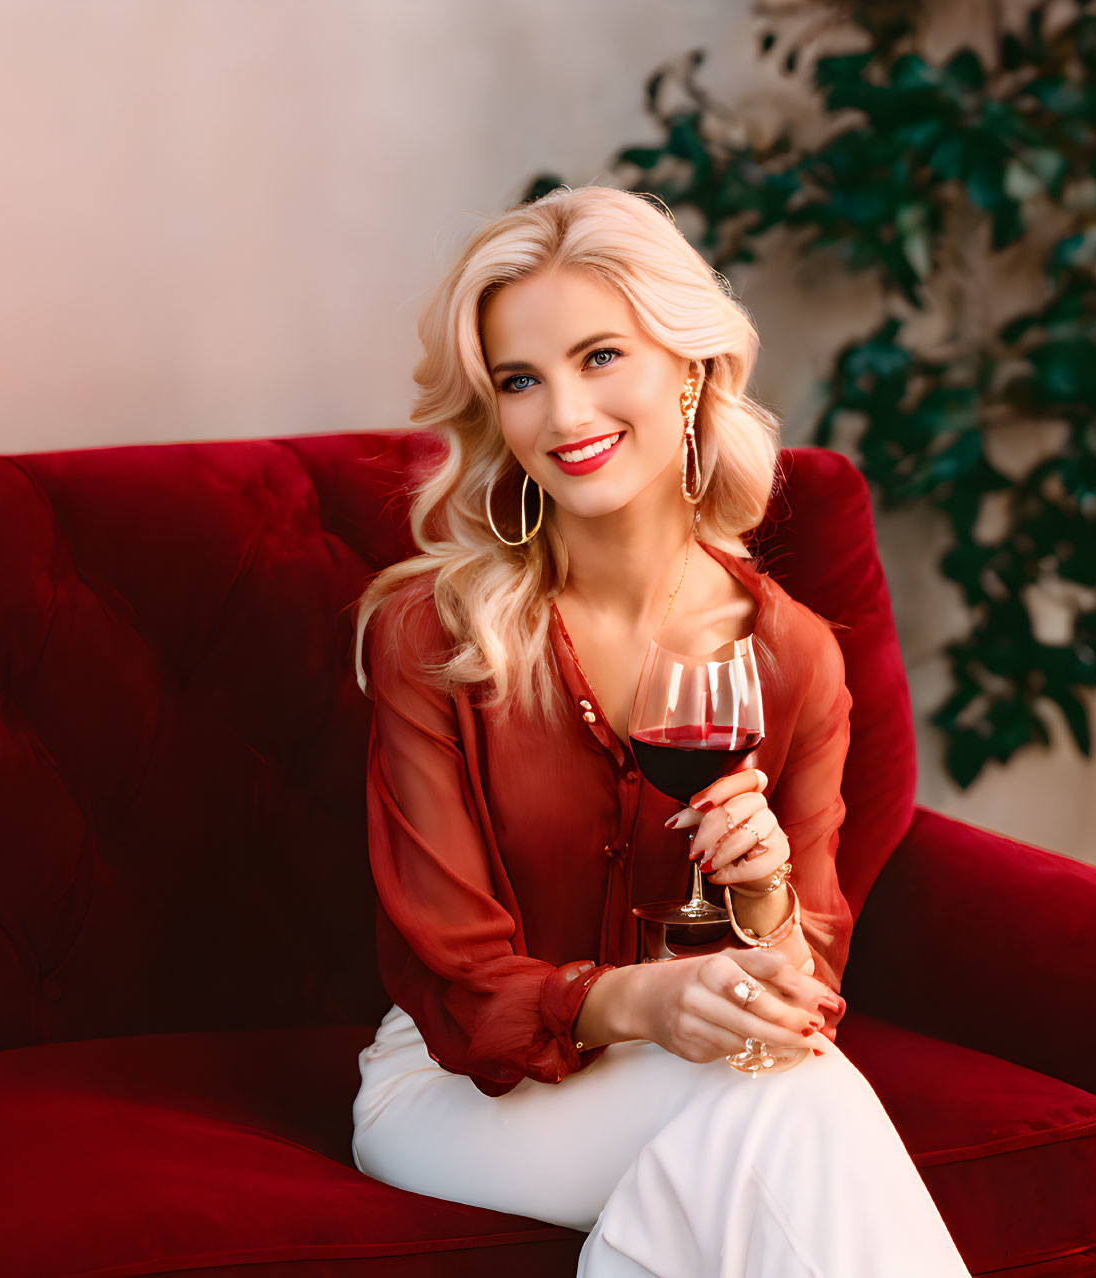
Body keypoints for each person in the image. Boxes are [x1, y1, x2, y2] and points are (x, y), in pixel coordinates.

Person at [349, 185, 972, 1276]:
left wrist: (765, 890)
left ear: (685, 368)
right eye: (519, 380)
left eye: (599, 357)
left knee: (777, 1100)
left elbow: (800, 988)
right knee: (794, 1103)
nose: (564, 415)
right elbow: (462, 987)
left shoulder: (788, 657)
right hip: (453, 1089)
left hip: (697, 1061)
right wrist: (642, 999)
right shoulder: (434, 636)